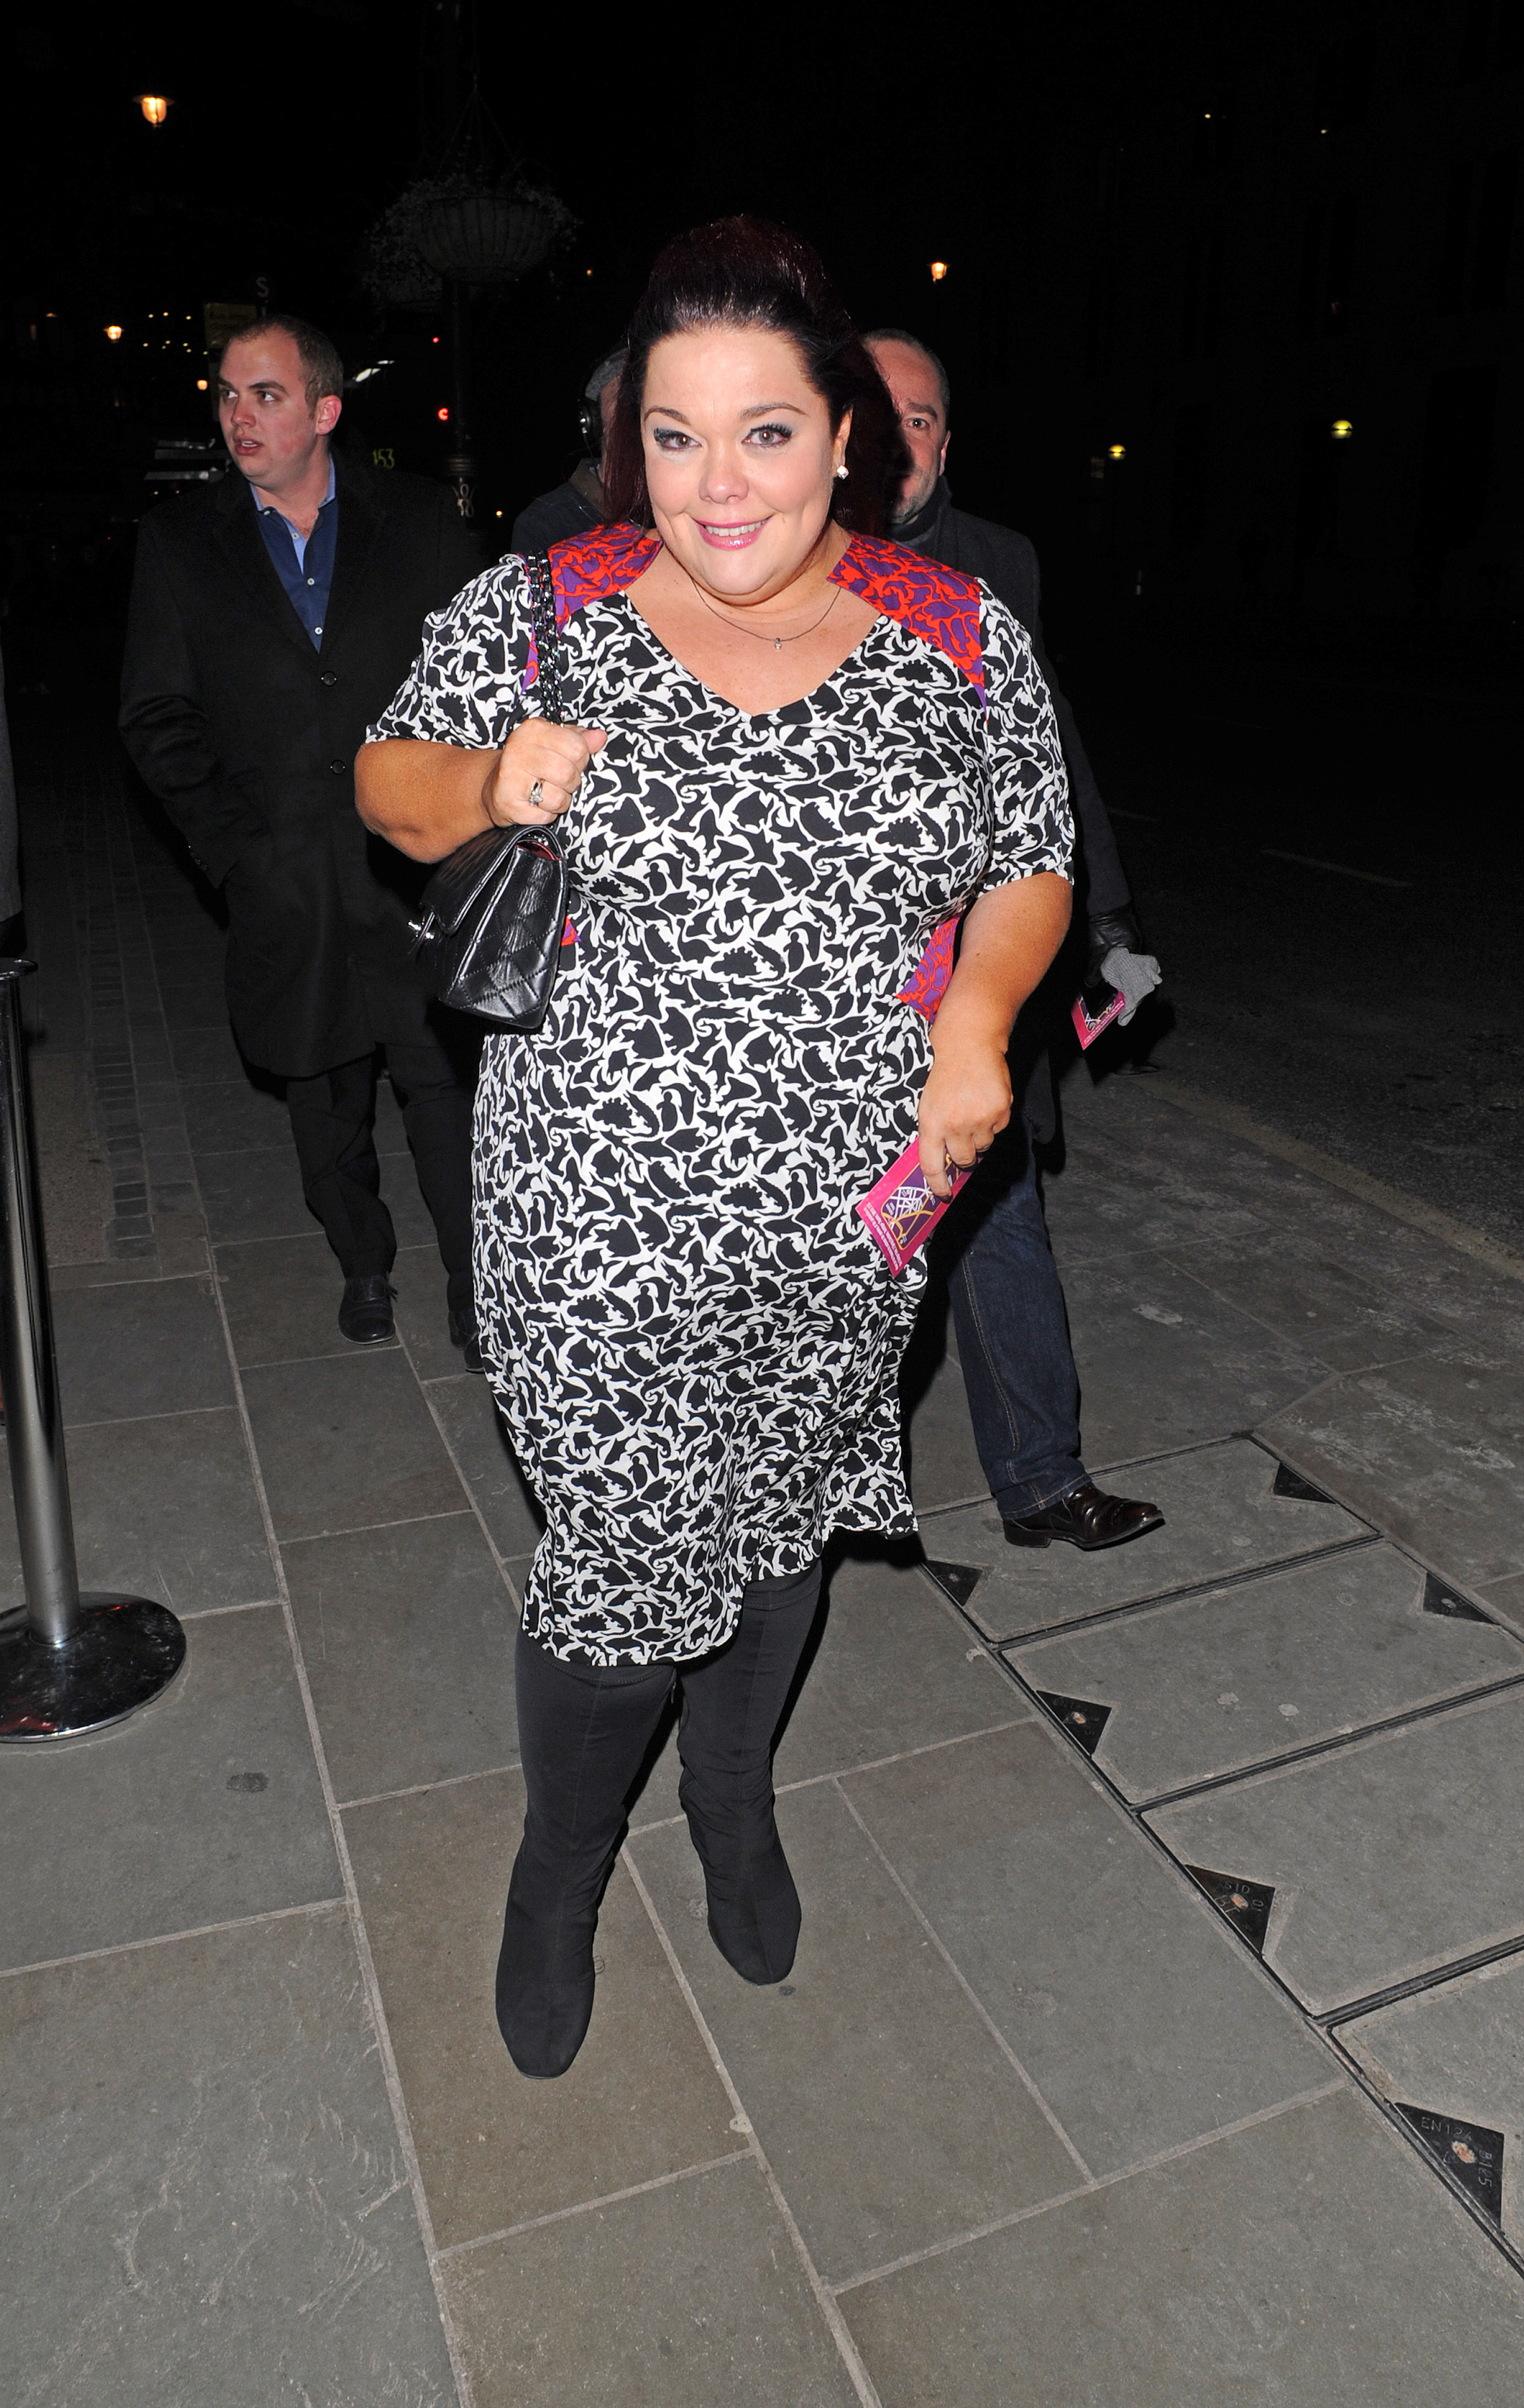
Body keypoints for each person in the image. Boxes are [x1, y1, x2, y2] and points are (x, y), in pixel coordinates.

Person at [357, 218, 1074, 2079]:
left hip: (850, 1214)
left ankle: (733, 1803)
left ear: (847, 433)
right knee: (622, 1551)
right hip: (588, 1211)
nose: (716, 481)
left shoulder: (955, 633)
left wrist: (978, 1021)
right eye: (674, 436)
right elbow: (390, 771)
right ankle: (557, 1866)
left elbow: (1031, 859)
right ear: (631, 447)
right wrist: (487, 776)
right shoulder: (552, 599)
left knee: (777, 1530)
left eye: (762, 430)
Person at [120, 314, 486, 1357]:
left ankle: (475, 1286)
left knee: (442, 1088)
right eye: (228, 395)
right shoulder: (181, 542)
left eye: (265, 394)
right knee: (319, 1088)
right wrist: (237, 852)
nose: (239, 415)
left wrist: (456, 817)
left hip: (412, 869)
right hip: (283, 873)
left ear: (325, 409)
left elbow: (483, 677)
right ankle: (363, 1263)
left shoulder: (415, 520)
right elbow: (155, 715)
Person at [865, 329, 1166, 1552]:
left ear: (947, 438)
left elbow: (1051, 756)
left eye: (921, 419)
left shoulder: (998, 566)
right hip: (838, 979)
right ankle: (821, 1503)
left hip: (984, 955)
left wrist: (1106, 922)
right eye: (876, 416)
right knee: (844, 1256)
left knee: (995, 1213)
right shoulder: (780, 565)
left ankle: (1041, 1480)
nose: (900, 442)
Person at [509, 348, 627, 553]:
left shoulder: (682, 514)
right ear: (594, 420)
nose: (639, 409)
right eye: (624, 394)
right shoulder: (547, 526)